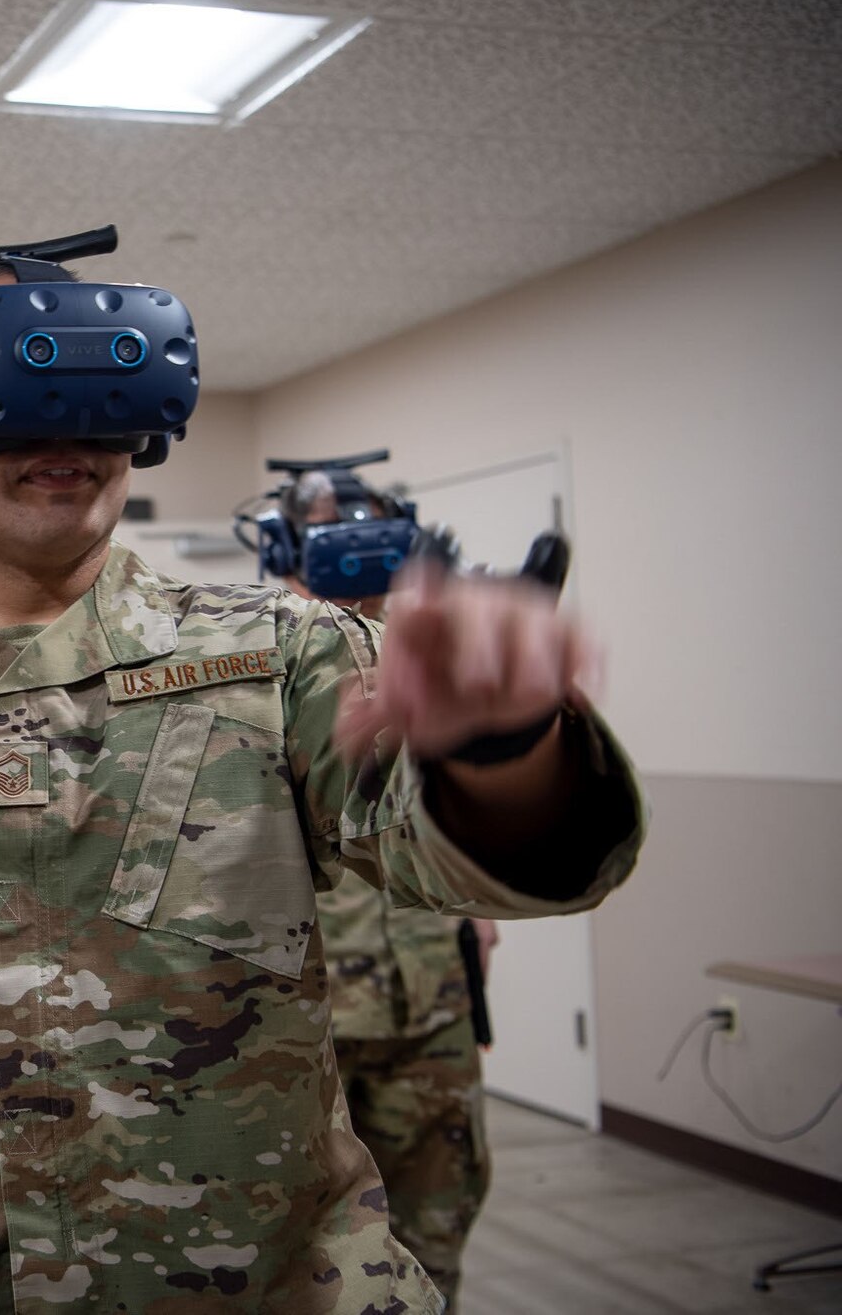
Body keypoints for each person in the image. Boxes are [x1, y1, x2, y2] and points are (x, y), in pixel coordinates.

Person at [0, 259, 645, 1314]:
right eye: (5, 383)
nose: (60, 427)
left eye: (99, 386)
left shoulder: (283, 656)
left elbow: (485, 861)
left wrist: (504, 748)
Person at [278, 467, 498, 1309]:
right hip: (307, 1024)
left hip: (429, 1004)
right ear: (290, 547)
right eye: (335, 536)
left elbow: (455, 815)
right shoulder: (255, 662)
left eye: (373, 535)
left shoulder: (431, 656)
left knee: (438, 1224)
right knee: (303, 1258)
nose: (358, 555)